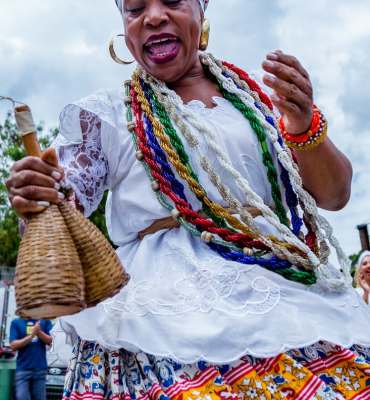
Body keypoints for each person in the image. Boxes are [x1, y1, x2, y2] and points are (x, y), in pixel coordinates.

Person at [6, 0, 370, 398]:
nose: (154, 16)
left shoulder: (256, 103)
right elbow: (60, 205)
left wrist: (301, 124)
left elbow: (335, 195)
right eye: (135, 8)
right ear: (123, 26)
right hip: (160, 322)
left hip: (287, 297)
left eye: (173, 1)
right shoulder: (107, 113)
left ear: (202, 8)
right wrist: (38, 195)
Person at [9, 318, 52, 400]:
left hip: (40, 367)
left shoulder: (44, 321)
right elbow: (13, 346)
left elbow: (52, 341)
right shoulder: (15, 322)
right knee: (21, 397)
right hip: (23, 368)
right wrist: (31, 336)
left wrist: (39, 332)